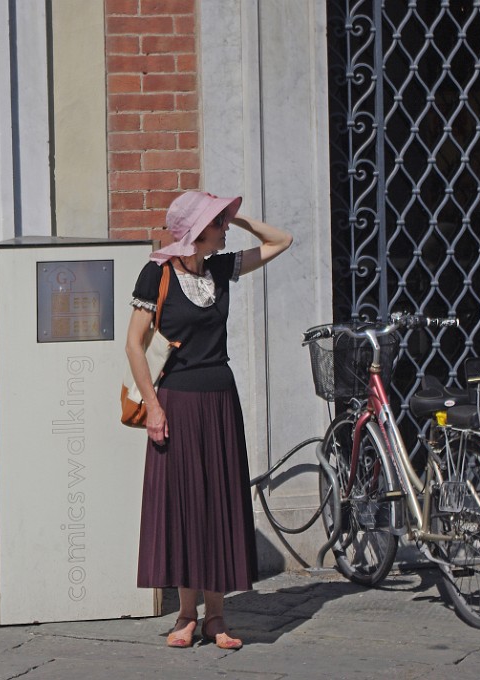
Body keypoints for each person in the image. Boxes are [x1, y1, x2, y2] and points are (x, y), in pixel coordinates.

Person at [125, 190, 292, 650]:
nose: (222, 228)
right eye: (216, 222)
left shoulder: (220, 267)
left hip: (219, 400)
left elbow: (283, 241)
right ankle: (184, 615)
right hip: (175, 401)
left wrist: (238, 221)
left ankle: (217, 618)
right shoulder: (156, 273)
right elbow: (134, 345)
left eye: (222, 222)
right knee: (183, 505)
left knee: (217, 503)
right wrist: (153, 406)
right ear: (197, 232)